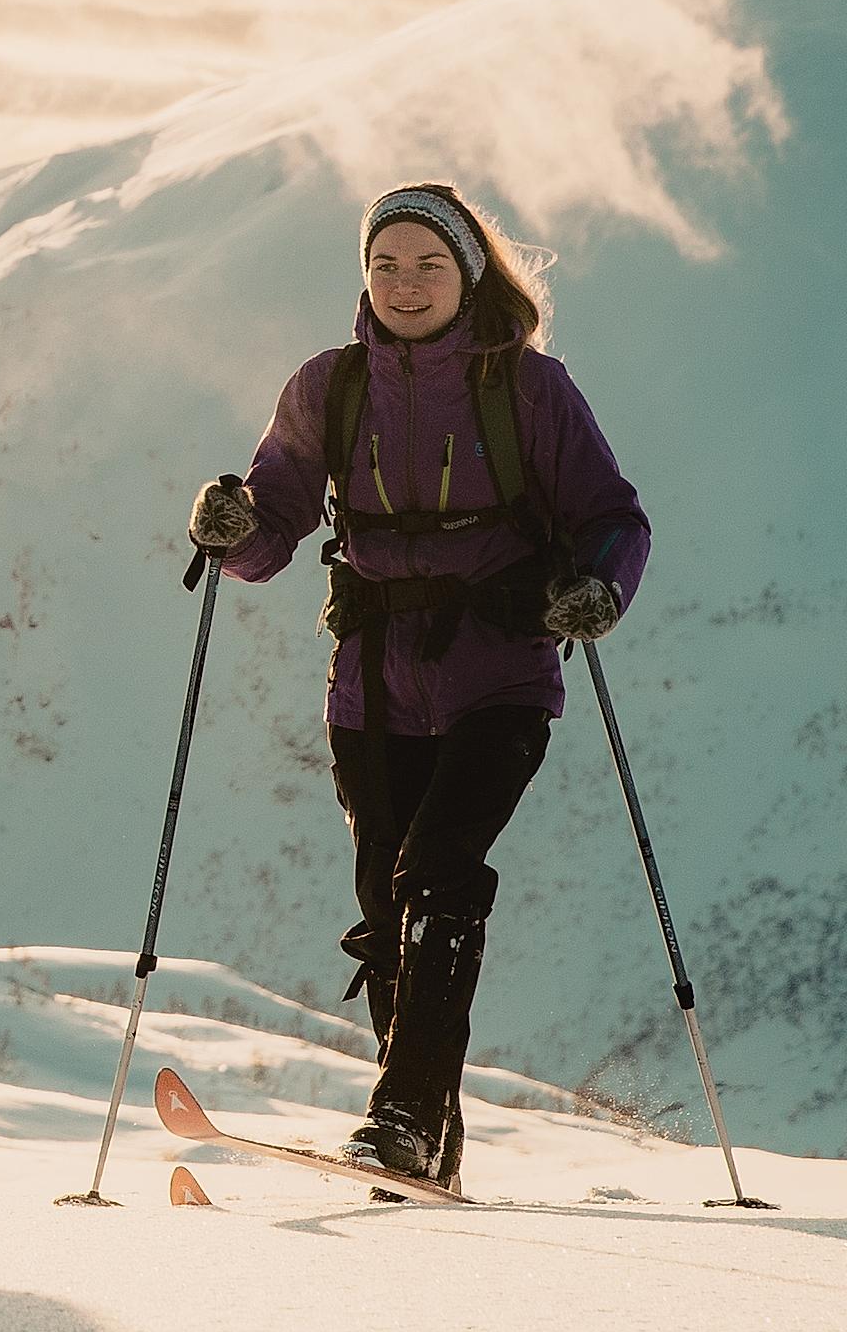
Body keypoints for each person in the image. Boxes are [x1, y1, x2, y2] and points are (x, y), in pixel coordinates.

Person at [184, 185, 650, 1190]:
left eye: (428, 264)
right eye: (386, 263)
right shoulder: (328, 386)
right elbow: (274, 525)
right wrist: (231, 526)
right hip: (371, 687)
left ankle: (398, 1115)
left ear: (468, 273)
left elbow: (613, 515)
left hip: (503, 677)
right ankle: (423, 1132)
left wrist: (597, 588)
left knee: (439, 870)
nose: (404, 282)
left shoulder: (529, 389)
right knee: (384, 894)